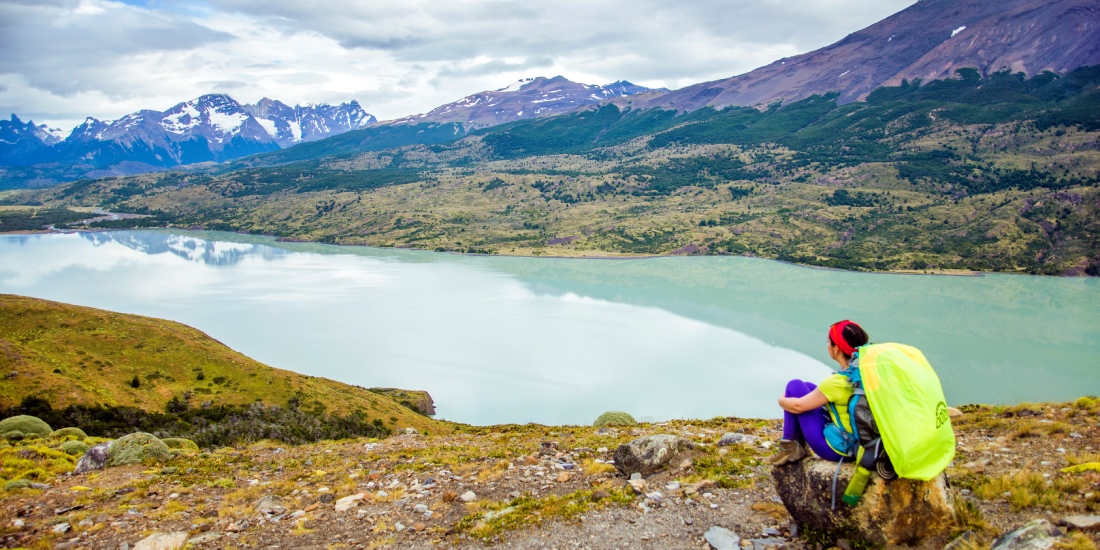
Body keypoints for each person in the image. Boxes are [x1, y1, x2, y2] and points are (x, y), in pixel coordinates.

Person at [768, 320, 869, 465]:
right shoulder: (867, 373)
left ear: (836, 349)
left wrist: (781, 400)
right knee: (807, 387)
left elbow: (797, 406)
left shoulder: (837, 382)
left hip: (840, 449)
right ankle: (792, 446)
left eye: (829, 342)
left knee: (794, 386)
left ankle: (789, 447)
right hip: (864, 446)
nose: (827, 345)